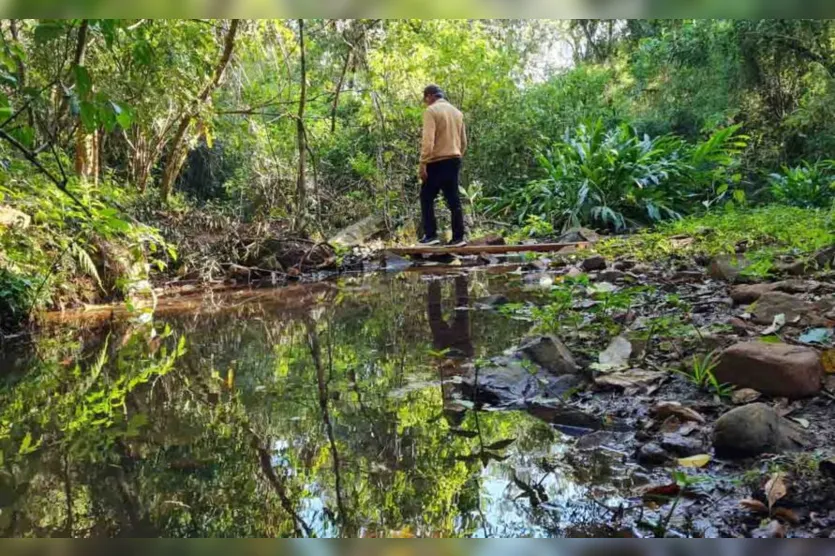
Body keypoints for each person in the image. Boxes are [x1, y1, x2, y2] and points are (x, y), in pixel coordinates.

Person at [417, 84, 467, 247]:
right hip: (454, 159)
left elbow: (428, 141)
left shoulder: (431, 111)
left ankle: (431, 235)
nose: (426, 103)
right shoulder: (457, 113)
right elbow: (464, 142)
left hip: (436, 161)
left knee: (426, 197)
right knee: (453, 199)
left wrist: (423, 163)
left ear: (430, 96)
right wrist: (456, 155)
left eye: (426, 99)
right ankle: (458, 238)